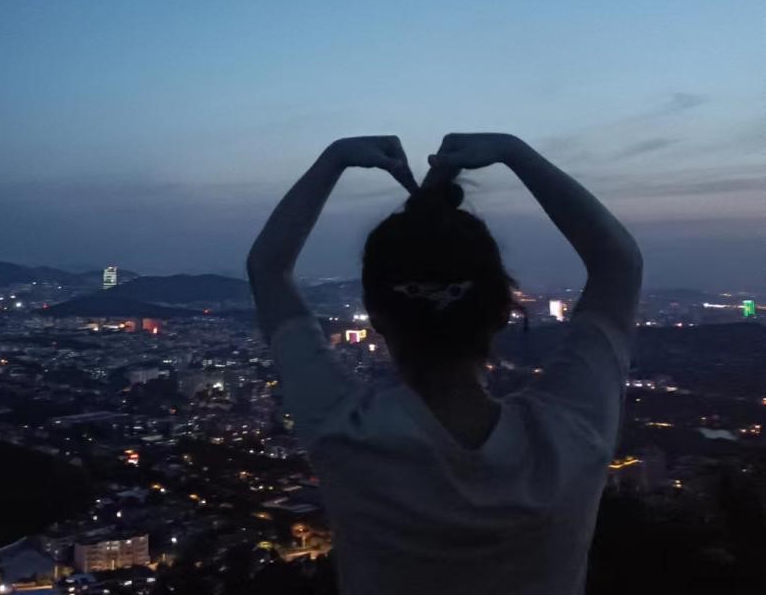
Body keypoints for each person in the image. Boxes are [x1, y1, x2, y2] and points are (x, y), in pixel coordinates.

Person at [247, 133, 642, 595]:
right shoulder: (569, 434)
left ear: (375, 316)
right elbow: (619, 264)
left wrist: (334, 158)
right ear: (504, 310)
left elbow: (267, 268)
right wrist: (514, 152)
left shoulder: (343, 429)